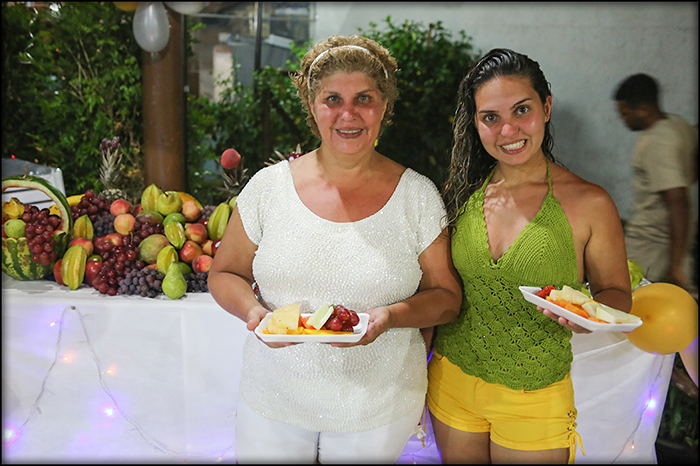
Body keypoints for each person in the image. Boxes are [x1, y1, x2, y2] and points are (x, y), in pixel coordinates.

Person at [208, 34, 462, 464]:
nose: (349, 114)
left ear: (384, 105)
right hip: (273, 395)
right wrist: (254, 313)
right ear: (312, 106)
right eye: (332, 99)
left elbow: (447, 299)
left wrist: (390, 317)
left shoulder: (417, 196)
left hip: (379, 404)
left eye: (364, 98)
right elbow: (224, 272)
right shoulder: (268, 188)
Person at [426, 48, 633, 464]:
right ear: (476, 124)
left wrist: (588, 314)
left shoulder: (590, 203)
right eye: (490, 117)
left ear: (546, 108)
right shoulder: (461, 195)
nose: (508, 130)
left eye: (522, 110)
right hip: (451, 381)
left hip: (535, 394)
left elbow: (617, 293)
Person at [613, 73, 698, 295]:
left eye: (625, 113)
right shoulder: (679, 125)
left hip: (651, 244)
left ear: (643, 108)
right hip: (677, 242)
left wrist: (675, 265)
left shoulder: (657, 141)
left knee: (629, 302)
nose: (622, 119)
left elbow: (677, 201)